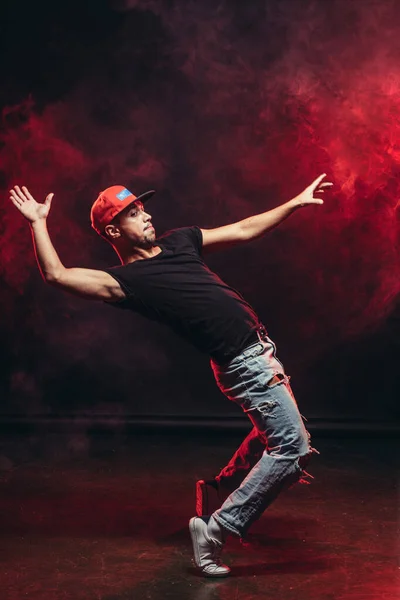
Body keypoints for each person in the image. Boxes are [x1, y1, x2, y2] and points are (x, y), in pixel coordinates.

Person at [10, 174, 332, 577]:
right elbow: (57, 274)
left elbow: (245, 229)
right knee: (291, 448)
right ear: (113, 230)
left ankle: (217, 492)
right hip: (244, 365)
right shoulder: (126, 283)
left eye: (142, 207)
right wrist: (38, 222)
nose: (145, 215)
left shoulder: (181, 240)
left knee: (278, 434)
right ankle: (216, 531)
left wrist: (294, 201)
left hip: (260, 353)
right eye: (133, 212)